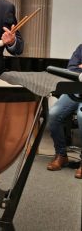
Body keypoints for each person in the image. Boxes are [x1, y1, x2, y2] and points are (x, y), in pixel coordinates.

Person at [47, 44, 82, 178]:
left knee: (81, 115)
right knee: (54, 114)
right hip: (75, 89)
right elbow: (71, 68)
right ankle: (61, 155)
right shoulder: (81, 48)